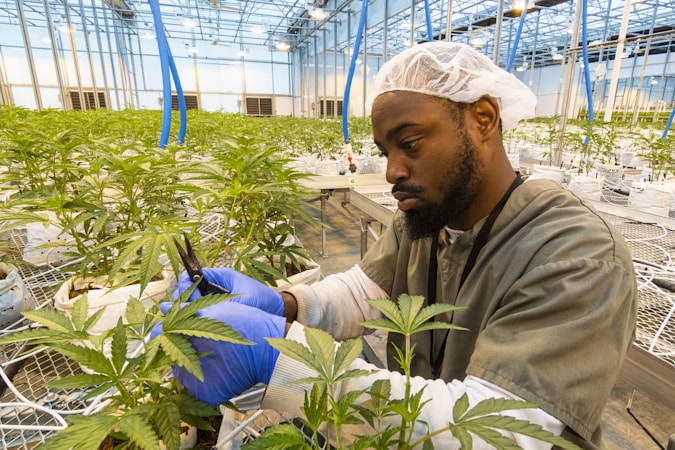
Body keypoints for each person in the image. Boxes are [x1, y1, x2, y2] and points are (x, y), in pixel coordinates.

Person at [156, 41, 637, 449]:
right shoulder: (425, 219)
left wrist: (280, 358)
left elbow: (500, 431)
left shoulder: (578, 253)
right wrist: (283, 304)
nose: (392, 172)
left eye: (410, 144)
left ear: (484, 118)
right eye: (386, 151)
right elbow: (366, 293)